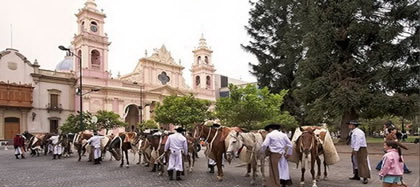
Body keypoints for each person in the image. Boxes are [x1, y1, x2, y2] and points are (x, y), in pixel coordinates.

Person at [347, 120, 370, 184]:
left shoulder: (358, 132)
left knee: (362, 162)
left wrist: (356, 149)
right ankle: (356, 175)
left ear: (354, 125)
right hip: (355, 148)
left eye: (350, 124)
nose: (349, 126)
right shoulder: (352, 132)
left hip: (360, 148)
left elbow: (358, 141)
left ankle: (365, 177)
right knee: (355, 162)